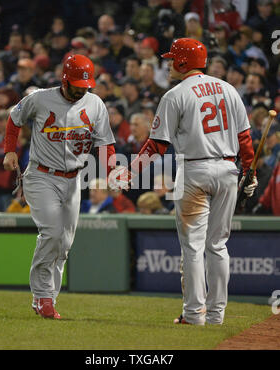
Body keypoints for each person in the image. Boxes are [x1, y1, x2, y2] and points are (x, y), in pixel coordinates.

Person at [110, 38, 258, 325]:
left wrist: (130, 172)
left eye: (171, 59)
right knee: (218, 246)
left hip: (194, 171)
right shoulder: (229, 89)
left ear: (182, 62)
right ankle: (216, 316)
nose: (167, 64)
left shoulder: (176, 95)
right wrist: (250, 172)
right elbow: (245, 140)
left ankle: (193, 314)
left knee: (193, 247)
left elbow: (156, 145)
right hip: (228, 170)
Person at [3, 54, 116, 319]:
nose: (80, 89)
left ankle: (47, 298)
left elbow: (105, 144)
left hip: (74, 178)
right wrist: (10, 151)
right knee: (52, 233)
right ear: (64, 79)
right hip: (41, 175)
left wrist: (112, 170)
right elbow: (14, 119)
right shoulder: (40, 98)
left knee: (64, 243)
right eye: (76, 84)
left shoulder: (95, 103)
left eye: (84, 85)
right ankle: (43, 296)